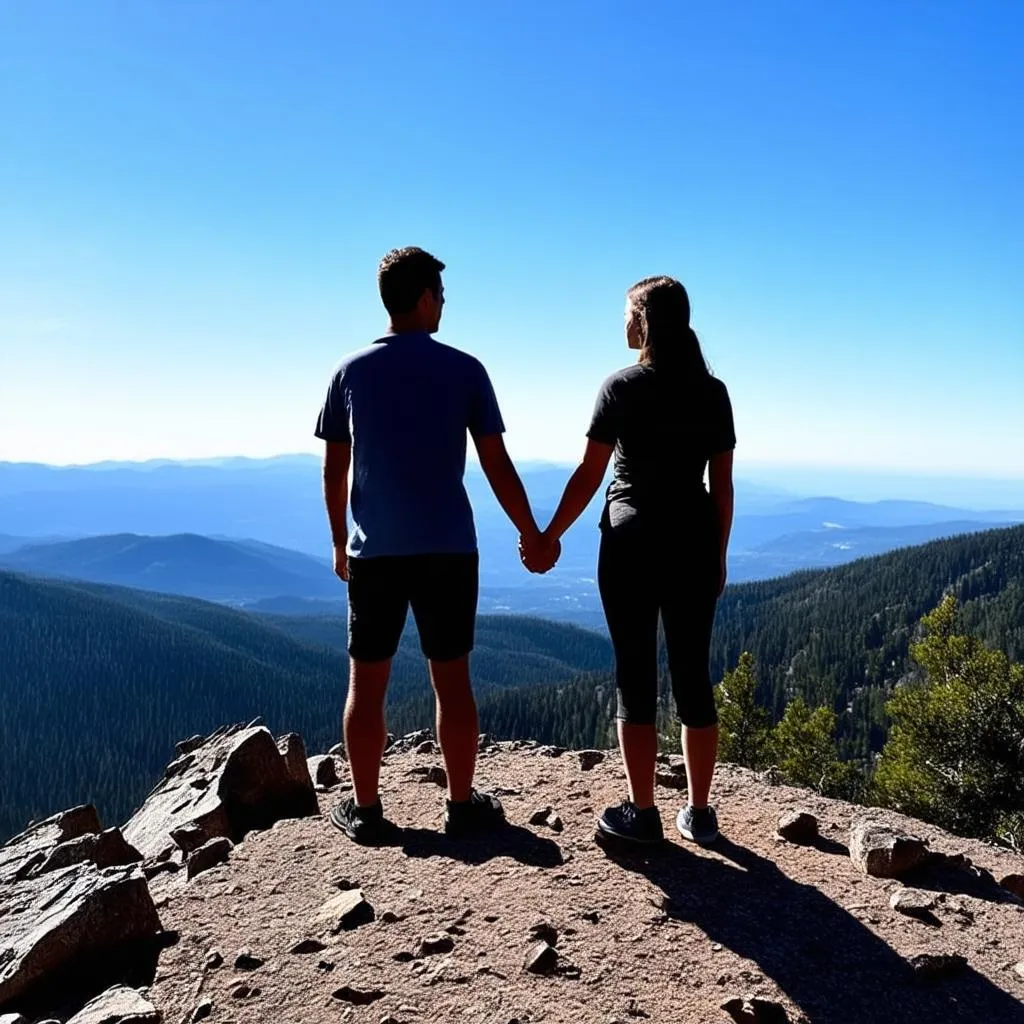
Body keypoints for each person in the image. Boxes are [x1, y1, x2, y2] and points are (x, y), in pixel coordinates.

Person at [316, 246, 544, 843]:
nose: (443, 304)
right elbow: (496, 464)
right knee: (453, 680)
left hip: (376, 552)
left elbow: (334, 470)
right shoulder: (466, 369)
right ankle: (462, 805)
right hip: (448, 548)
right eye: (440, 295)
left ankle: (367, 811)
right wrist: (531, 533)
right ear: (422, 297)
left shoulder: (349, 371)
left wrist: (341, 542)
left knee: (367, 684)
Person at [521, 276, 735, 846]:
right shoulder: (713, 393)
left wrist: (547, 537)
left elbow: (591, 475)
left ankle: (643, 814)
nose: (621, 325)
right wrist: (718, 552)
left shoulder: (621, 386)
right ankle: (701, 811)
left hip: (630, 542)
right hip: (692, 538)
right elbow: (724, 486)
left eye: (624, 314)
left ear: (642, 319)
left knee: (633, 676)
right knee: (694, 672)